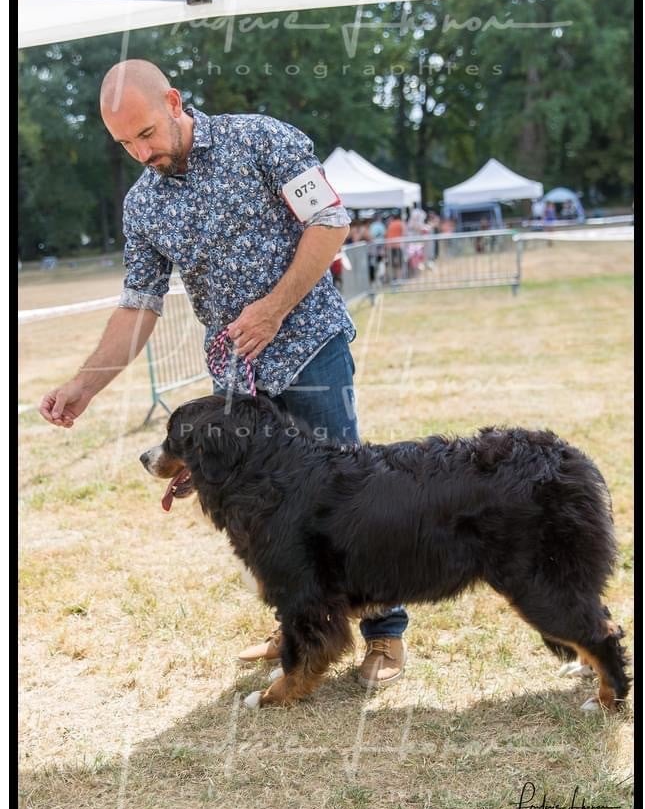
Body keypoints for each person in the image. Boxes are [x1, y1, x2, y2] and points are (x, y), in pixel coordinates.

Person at [39, 59, 408, 688]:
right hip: (238, 375)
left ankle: (384, 635)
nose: (140, 152)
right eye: (124, 144)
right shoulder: (143, 205)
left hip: (311, 346)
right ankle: (300, 622)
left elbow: (329, 222)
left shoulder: (261, 138)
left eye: (146, 133)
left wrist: (273, 308)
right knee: (265, 510)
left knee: (346, 498)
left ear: (175, 102)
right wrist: (84, 385)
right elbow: (139, 305)